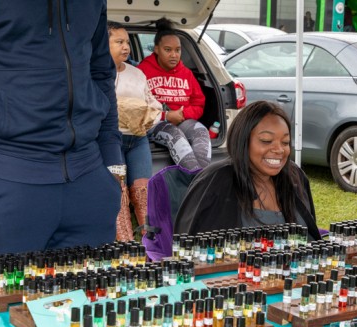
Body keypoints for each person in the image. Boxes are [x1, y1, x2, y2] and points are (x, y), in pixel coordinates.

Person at [0, 1, 123, 276]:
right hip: (8, 176)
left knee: (89, 299)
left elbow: (100, 72)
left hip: (89, 179)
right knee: (11, 300)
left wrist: (112, 163)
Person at [175, 101, 321, 241]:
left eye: (285, 142)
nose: (279, 150)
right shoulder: (215, 182)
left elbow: (311, 236)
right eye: (266, 140)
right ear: (243, 140)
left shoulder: (295, 176)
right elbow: (190, 247)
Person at [108, 21, 162, 241]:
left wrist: (153, 116)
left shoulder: (137, 73)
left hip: (138, 139)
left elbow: (152, 102)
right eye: (119, 42)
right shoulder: (96, 75)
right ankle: (126, 246)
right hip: (111, 141)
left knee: (143, 193)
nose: (126, 47)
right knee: (118, 193)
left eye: (127, 42)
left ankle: (153, 246)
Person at [138, 18, 211, 171]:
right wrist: (166, 116)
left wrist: (183, 114)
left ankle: (201, 178)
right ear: (156, 49)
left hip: (183, 120)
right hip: (155, 123)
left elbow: (198, 103)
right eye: (168, 50)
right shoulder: (142, 71)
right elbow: (137, 109)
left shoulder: (187, 74)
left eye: (177, 50)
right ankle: (198, 180)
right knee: (175, 135)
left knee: (202, 132)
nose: (174, 55)